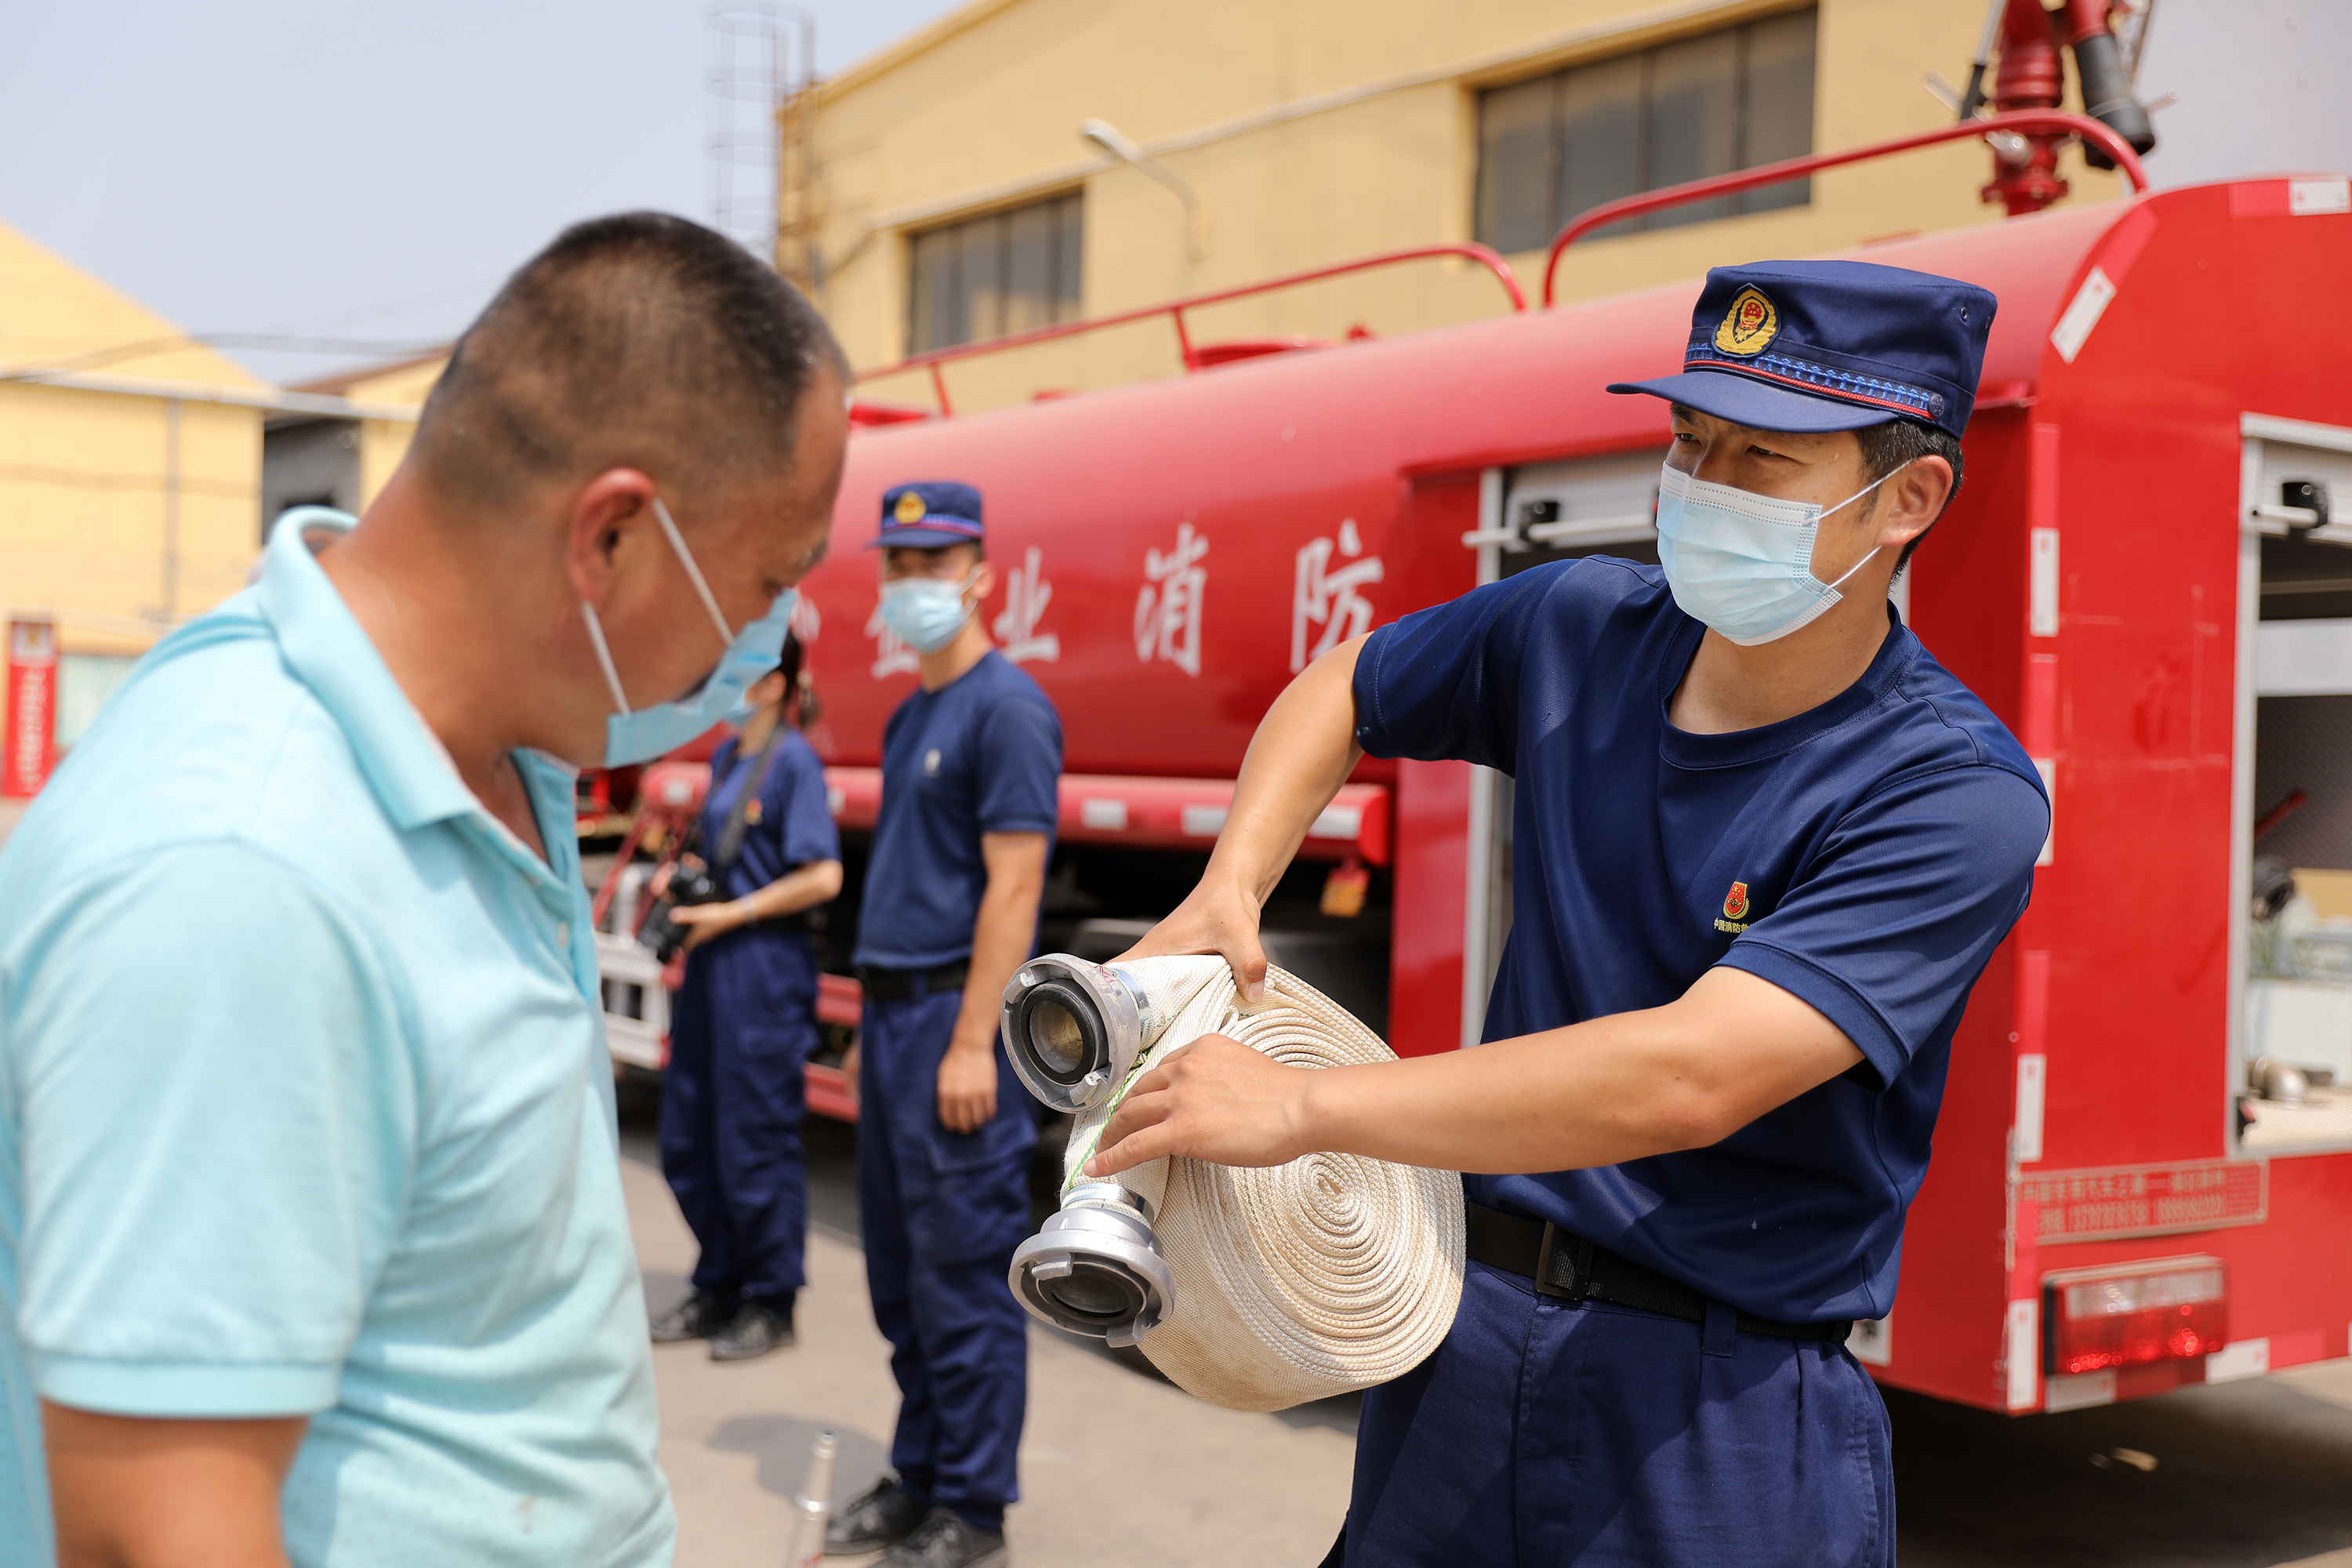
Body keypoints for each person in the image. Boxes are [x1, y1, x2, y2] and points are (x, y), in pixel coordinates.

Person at [1090, 260, 2050, 1567]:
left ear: (1910, 498)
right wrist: (1232, 883)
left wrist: (1303, 1109)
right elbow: (1347, 685)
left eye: (1762, 459)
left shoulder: (1948, 791)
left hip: (1713, 1407)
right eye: (1689, 442)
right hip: (1463, 1340)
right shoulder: (1581, 627)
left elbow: (1691, 1076)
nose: (1703, 486)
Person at [0, 212, 848, 1567]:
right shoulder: (246, 876)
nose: (769, 641)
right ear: (614, 538)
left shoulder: (498, 750)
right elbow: (150, 1533)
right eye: (769, 582)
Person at [826, 482, 1062, 1568]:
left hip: (953, 1021)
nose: (912, 582)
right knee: (901, 1275)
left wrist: (973, 1042)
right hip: (895, 1019)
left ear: (982, 577)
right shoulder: (909, 714)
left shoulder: (1006, 709)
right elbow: (908, 883)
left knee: (962, 1274)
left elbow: (1013, 889)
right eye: (898, 563)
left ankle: (974, 1508)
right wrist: (870, 1028)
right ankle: (920, 1473)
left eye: (935, 562)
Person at [651, 631, 844, 1361]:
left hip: (762, 969)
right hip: (713, 968)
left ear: (773, 685)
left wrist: (734, 912)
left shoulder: (793, 761)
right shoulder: (729, 756)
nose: (721, 680)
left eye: (739, 668)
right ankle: (718, 1284)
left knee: (753, 1139)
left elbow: (823, 875)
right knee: (690, 1133)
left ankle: (771, 1298)